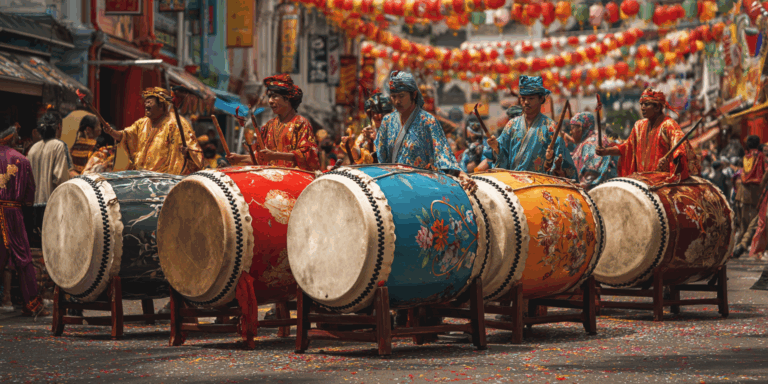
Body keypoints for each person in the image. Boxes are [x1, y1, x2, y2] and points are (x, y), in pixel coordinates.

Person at [595, 88, 700, 181]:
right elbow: (626, 147)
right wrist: (606, 151)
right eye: (641, 104)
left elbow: (680, 149)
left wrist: (669, 161)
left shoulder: (669, 125)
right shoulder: (639, 125)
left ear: (657, 107)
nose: (642, 107)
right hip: (642, 179)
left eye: (646, 104)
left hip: (663, 180)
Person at [485, 76, 577, 180]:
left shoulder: (550, 127)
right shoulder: (511, 125)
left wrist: (550, 160)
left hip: (539, 184)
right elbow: (503, 154)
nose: (526, 102)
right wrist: (496, 147)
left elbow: (562, 163)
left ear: (541, 99)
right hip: (513, 183)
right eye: (523, 98)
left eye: (531, 98)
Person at [0, 126, 48, 317]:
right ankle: (32, 303)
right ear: (12, 139)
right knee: (23, 257)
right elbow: (29, 196)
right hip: (12, 212)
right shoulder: (22, 160)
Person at [226, 74, 320, 171]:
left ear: (287, 99)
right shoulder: (269, 126)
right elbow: (261, 158)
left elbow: (308, 156)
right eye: (269, 97)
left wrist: (275, 155)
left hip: (294, 176)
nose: (270, 101)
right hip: (271, 175)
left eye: (275, 97)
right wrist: (239, 158)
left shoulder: (301, 123)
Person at [102, 87, 204, 175]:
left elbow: (194, 151)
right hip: (141, 176)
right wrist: (111, 132)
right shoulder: (142, 123)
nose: (146, 103)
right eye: (146, 101)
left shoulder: (177, 124)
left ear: (161, 106)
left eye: (150, 101)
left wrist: (188, 153)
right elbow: (125, 136)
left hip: (164, 179)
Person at [26, 111, 72, 248]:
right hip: (52, 205)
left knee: (39, 249)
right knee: (54, 247)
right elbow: (60, 178)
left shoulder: (33, 149)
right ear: (58, 127)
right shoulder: (59, 146)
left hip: (33, 207)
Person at [569, 112, 618, 190]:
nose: (570, 132)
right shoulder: (588, 140)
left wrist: (579, 188)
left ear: (582, 128)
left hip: (596, 190)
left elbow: (591, 173)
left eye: (573, 128)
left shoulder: (591, 143)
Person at [736, 135, 766, 236]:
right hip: (756, 191)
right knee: (755, 218)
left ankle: (743, 236)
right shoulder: (761, 156)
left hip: (744, 191)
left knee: (744, 218)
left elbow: (743, 172)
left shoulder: (746, 157)